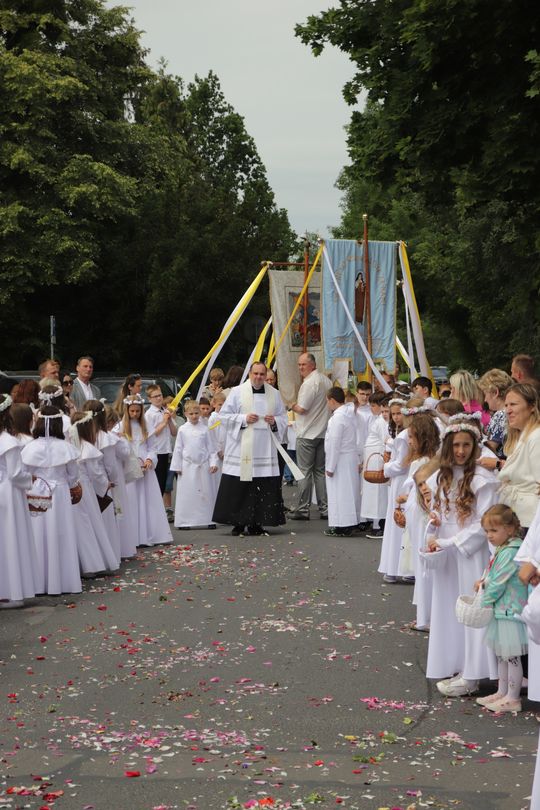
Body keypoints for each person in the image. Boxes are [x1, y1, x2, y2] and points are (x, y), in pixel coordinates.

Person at [425, 418, 499, 697]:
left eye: (466, 445)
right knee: (447, 607)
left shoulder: (483, 480)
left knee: (471, 610)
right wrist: (433, 525)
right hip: (446, 549)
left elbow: (483, 524)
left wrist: (451, 541)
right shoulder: (442, 476)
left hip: (469, 551)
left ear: (474, 446)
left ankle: (473, 672)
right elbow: (438, 512)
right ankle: (454, 662)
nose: (460, 451)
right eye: (456, 445)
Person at [212, 361, 287, 536]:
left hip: (264, 449)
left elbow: (282, 417)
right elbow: (223, 416)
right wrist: (244, 418)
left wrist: (274, 421)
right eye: (256, 374)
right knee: (240, 485)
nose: (259, 377)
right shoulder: (237, 393)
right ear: (250, 374)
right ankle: (238, 523)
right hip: (241, 448)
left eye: (262, 374)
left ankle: (257, 523)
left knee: (260, 485)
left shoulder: (274, 394)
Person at [21, 406, 82, 595]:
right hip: (61, 493)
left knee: (39, 535)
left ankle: (38, 582)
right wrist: (73, 485)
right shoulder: (66, 448)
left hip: (37, 493)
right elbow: (73, 476)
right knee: (62, 534)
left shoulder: (30, 447)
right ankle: (63, 581)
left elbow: (26, 473)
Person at [474, 504, 528, 713]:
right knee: (501, 654)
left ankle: (513, 697)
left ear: (511, 529)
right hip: (501, 609)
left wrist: (485, 597)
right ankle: (502, 690)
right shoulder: (502, 549)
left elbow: (499, 581)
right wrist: (483, 581)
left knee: (512, 656)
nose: (489, 535)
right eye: (487, 531)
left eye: (494, 530)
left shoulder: (511, 552)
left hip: (509, 609)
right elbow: (492, 575)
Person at [114, 394, 172, 547]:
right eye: (132, 411)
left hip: (146, 470)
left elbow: (153, 448)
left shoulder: (146, 427)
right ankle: (132, 536)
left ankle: (149, 535)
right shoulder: (119, 427)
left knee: (147, 502)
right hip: (130, 470)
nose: (135, 414)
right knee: (132, 501)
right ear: (127, 410)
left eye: (137, 411)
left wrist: (149, 459)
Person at [0, 394, 36, 608]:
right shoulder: (9, 442)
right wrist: (29, 479)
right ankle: (11, 591)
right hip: (9, 492)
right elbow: (14, 473)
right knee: (10, 538)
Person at [288, 352, 332, 520]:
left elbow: (302, 408)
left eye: (303, 365)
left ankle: (302, 508)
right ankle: (324, 508)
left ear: (312, 365)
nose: (300, 368)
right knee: (319, 472)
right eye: (299, 365)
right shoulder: (326, 381)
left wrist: (290, 404)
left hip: (307, 433)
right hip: (322, 432)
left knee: (304, 472)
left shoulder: (309, 383)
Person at [498, 383, 540, 531]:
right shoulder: (521, 437)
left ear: (532, 406)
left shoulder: (536, 437)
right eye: (506, 405)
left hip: (531, 520)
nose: (508, 410)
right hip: (519, 516)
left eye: (514, 404)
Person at [170, 400, 218, 529]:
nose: (194, 416)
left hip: (203, 465)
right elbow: (178, 448)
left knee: (206, 493)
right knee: (187, 494)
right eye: (191, 413)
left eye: (196, 413)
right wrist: (177, 466)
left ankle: (208, 519)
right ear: (185, 413)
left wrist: (213, 462)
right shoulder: (182, 430)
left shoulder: (205, 429)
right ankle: (185, 521)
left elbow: (211, 448)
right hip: (188, 466)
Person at [323, 387, 360, 537]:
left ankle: (342, 525)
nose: (327, 404)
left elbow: (334, 443)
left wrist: (330, 466)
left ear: (332, 400)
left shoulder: (338, 418)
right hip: (348, 458)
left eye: (327, 401)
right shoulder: (347, 415)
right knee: (348, 492)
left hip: (340, 460)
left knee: (340, 493)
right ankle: (346, 523)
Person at [145, 384, 178, 501]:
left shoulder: (165, 411)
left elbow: (174, 432)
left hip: (166, 451)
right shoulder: (149, 414)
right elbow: (151, 434)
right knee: (157, 484)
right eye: (155, 396)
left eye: (160, 395)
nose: (159, 398)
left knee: (163, 484)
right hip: (156, 452)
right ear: (149, 399)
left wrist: (169, 420)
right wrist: (164, 422)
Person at [478, 368, 513, 460]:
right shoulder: (511, 412)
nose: (485, 399)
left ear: (495, 392)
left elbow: (491, 447)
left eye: (485, 393)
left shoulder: (501, 414)